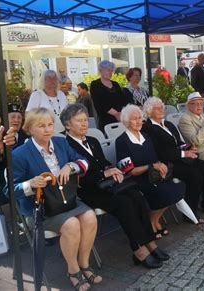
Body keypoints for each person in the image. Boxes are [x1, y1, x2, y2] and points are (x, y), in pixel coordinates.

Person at [61, 104, 168, 269]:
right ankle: (139, 250)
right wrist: (104, 174)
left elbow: (103, 163)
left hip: (107, 185)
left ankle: (150, 243)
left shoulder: (93, 140)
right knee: (124, 203)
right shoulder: (65, 146)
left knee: (136, 196)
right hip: (88, 191)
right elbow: (76, 178)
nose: (84, 124)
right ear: (67, 124)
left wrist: (113, 169)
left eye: (85, 120)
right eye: (78, 121)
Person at [12, 108, 101, 290]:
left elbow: (84, 162)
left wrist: (70, 166)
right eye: (41, 126)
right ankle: (73, 270)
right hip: (41, 210)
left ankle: (84, 263)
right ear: (29, 129)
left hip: (66, 201)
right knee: (71, 225)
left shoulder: (60, 143)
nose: (47, 129)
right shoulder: (19, 154)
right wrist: (30, 184)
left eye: (50, 124)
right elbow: (10, 191)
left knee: (90, 217)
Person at [142, 97, 204, 221]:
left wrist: (189, 147)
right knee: (194, 175)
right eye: (158, 108)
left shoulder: (167, 124)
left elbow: (178, 142)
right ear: (149, 111)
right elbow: (161, 152)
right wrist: (185, 154)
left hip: (179, 158)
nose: (162, 109)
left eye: (162, 106)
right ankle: (189, 213)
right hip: (167, 164)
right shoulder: (148, 128)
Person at [115, 105, 184, 238]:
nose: (139, 121)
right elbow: (129, 171)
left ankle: (153, 221)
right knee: (163, 192)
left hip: (153, 176)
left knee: (174, 189)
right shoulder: (121, 141)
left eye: (140, 118)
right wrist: (151, 166)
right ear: (126, 121)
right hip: (137, 179)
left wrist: (161, 167)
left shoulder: (146, 136)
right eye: (134, 119)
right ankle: (151, 223)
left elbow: (155, 159)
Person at [0, 104, 27, 206]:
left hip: (28, 186)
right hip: (4, 190)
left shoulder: (27, 137)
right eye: (12, 117)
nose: (17, 120)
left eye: (19, 117)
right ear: (1, 119)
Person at [90, 60, 127, 131]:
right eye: (108, 70)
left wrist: (121, 113)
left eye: (111, 70)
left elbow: (122, 100)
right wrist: (116, 114)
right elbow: (99, 103)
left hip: (120, 118)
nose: (110, 72)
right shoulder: (95, 84)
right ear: (101, 71)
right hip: (106, 120)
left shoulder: (115, 84)